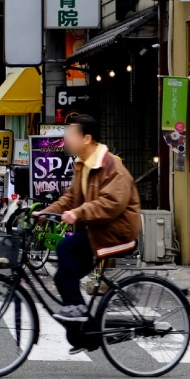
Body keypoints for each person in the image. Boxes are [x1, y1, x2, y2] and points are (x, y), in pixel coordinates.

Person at [40, 113, 141, 322]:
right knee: (62, 277)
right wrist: (45, 213)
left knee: (65, 248)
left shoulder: (110, 165)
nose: (66, 139)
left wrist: (78, 212)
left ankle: (79, 311)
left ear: (87, 138)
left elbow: (112, 203)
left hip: (116, 230)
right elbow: (70, 198)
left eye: (71, 134)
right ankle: (82, 330)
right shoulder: (82, 164)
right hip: (97, 230)